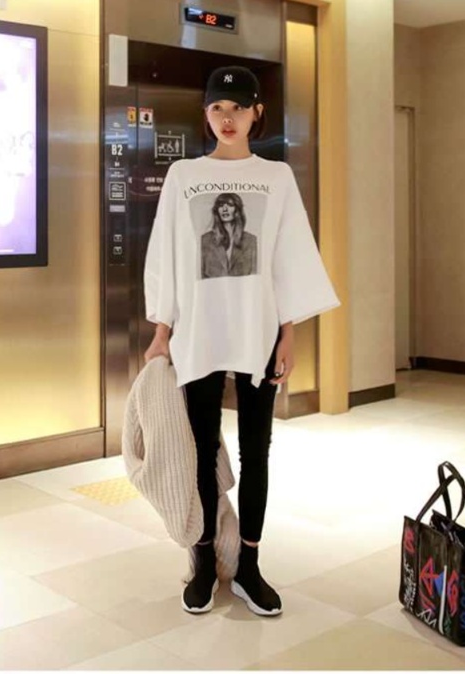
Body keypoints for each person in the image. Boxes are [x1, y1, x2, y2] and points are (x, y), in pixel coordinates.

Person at [143, 65, 340, 617]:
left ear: (257, 113)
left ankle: (249, 564)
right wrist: (161, 330)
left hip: (258, 331)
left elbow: (288, 256)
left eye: (237, 108)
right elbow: (166, 252)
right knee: (200, 450)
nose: (227, 118)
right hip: (198, 332)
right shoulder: (183, 174)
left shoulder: (276, 177)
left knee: (257, 452)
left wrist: (288, 334)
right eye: (217, 108)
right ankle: (205, 559)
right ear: (206, 114)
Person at [202, 193, 257, 278]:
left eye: (230, 205)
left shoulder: (251, 240)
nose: (225, 209)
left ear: (237, 210)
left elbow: (254, 276)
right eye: (221, 205)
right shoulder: (205, 240)